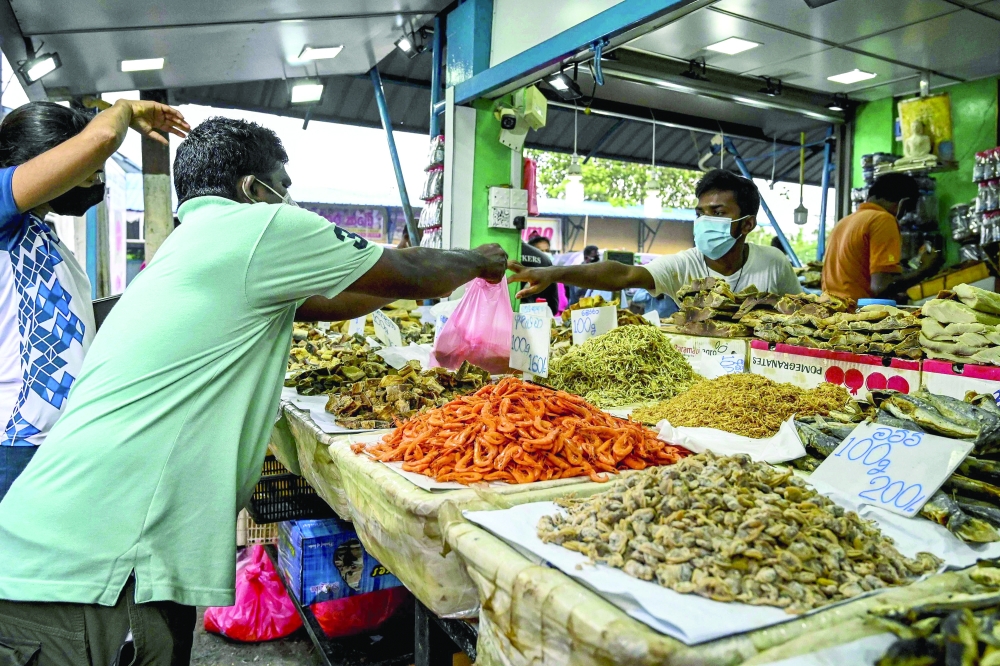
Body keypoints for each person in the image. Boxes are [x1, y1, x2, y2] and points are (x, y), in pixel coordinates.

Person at [0, 116, 507, 663]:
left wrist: (386, 279)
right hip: (84, 581)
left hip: (77, 560)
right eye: (282, 189)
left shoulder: (191, 247)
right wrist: (482, 262)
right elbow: (409, 269)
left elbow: (333, 299)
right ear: (250, 189)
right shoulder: (256, 230)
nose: (289, 203)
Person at [0, 99, 189, 501]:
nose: (93, 177)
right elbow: (102, 137)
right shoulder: (3, 213)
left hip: (55, 440)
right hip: (15, 442)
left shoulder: (41, 236)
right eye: (84, 169)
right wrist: (126, 109)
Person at [510, 170, 801, 305]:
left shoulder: (773, 263)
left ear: (747, 223)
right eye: (700, 213)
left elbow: (798, 317)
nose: (704, 221)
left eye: (717, 212)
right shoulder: (684, 266)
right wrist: (553, 272)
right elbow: (623, 275)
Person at [822, 173, 939, 301]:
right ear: (903, 203)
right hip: (856, 313)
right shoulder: (883, 220)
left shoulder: (844, 222)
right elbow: (880, 286)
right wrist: (925, 270)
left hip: (831, 308)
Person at [518, 240, 559, 314]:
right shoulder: (545, 259)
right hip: (537, 320)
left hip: (501, 319)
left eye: (547, 250)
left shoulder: (495, 257)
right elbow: (553, 306)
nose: (545, 252)